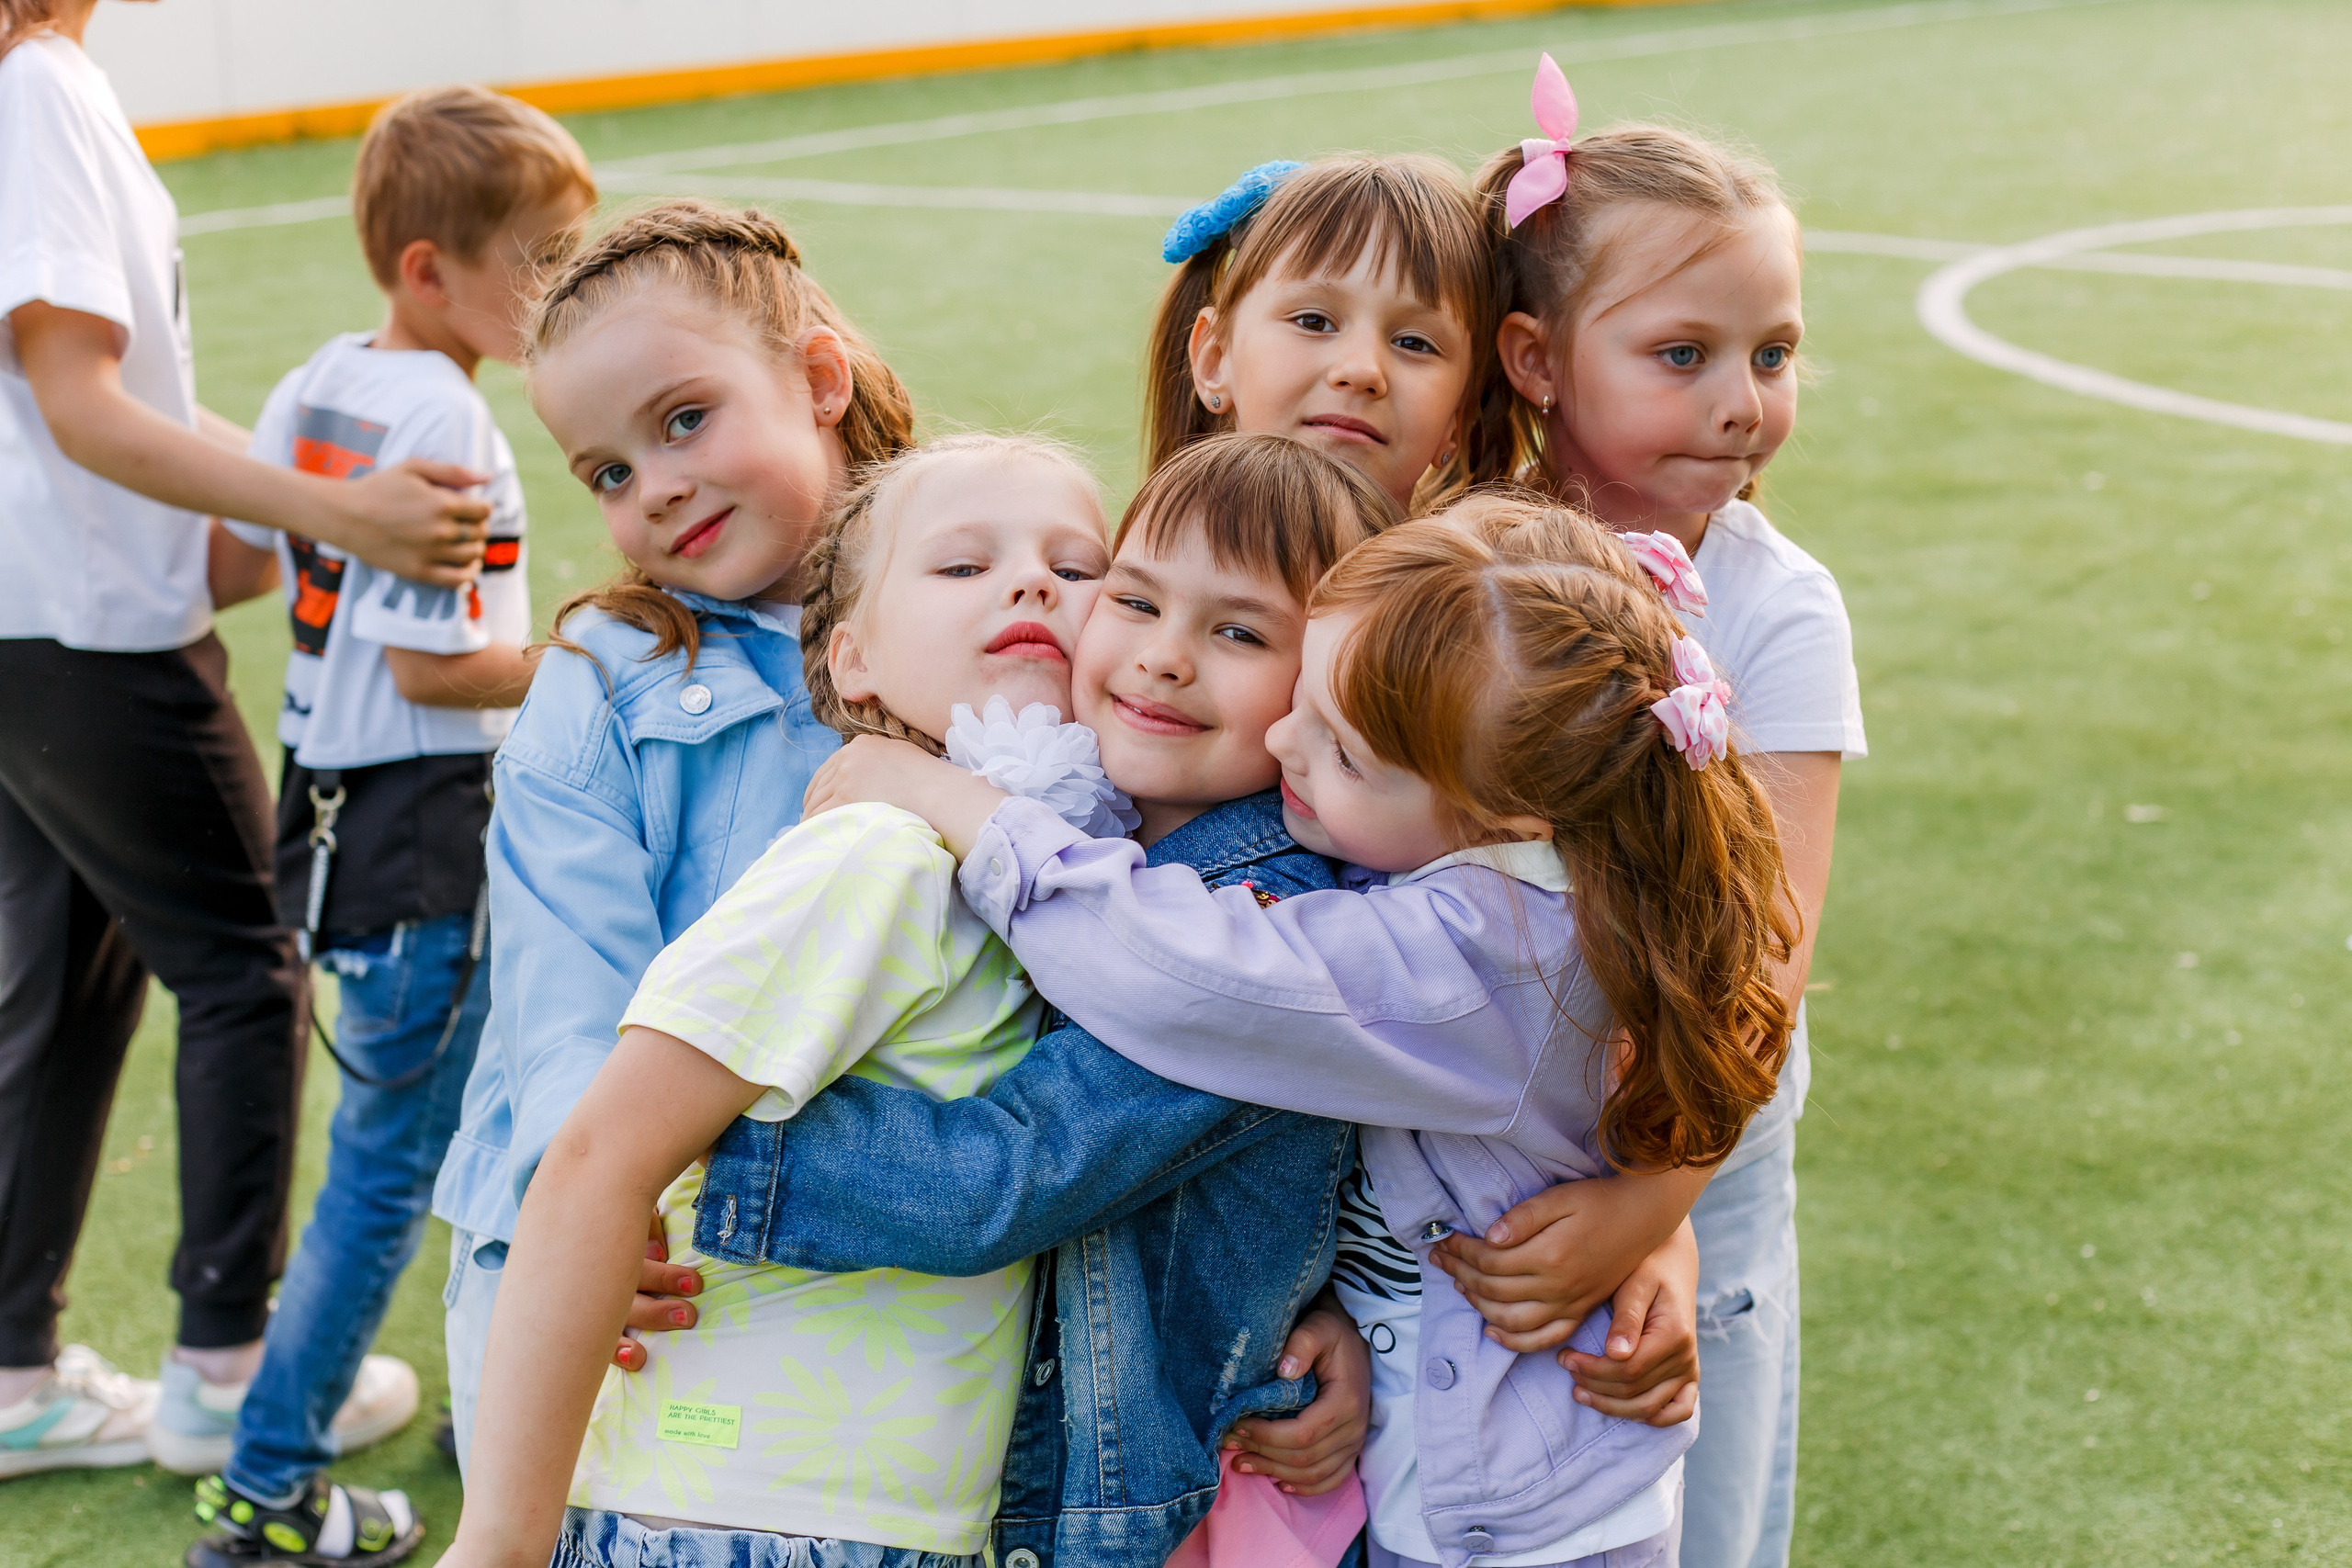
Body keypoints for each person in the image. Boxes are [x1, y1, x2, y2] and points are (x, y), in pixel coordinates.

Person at [808, 495, 1798, 1568]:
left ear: (1505, 812)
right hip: (1434, 1471)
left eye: (1341, 751)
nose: (1284, 738)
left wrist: (965, 810)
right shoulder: (1520, 870)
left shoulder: (1488, 956)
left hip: (1507, 1528)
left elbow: (1191, 981)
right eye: (1304, 703)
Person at [657, 434, 1413, 1568]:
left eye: (1241, 633)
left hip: (1164, 1509)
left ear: (1324, 700)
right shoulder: (1091, 827)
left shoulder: (1256, 925)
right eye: (1135, 598)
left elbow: (1010, 1177)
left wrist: (697, 1152)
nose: (1161, 659)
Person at [444, 434, 1143, 1568]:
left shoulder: (1049, 885)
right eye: (963, 566)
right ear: (853, 661)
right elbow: (595, 1160)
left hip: (877, 1523)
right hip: (736, 1518)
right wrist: (499, 1546)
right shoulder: (878, 860)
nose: (1033, 584)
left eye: (1080, 567)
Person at [0, 0, 489, 1480]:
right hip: (92, 631)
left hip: (33, 622)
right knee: (242, 969)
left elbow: (106, 402)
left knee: (65, 986)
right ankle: (224, 1363)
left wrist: (251, 505)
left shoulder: (35, 84)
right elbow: (75, 398)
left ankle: (15, 1374)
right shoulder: (38, 88)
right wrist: (328, 510)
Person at [1442, 57, 1866, 1568]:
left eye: (1775, 351)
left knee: (1691, 1498)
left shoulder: (1775, 607)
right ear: (1539, 359)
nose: (1743, 403)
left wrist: (1654, 1201)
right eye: (1682, 353)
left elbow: (1762, 962)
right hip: (1470, 1145)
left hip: (1697, 1154)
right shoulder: (1456, 565)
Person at [425, 198, 917, 1471]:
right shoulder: (600, 679)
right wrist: (585, 1189)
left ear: (819, 378)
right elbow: (562, 976)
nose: (659, 487)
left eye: (685, 419)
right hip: (620, 1271)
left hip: (861, 1254)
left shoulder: (956, 605)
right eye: (609, 473)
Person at [176, 85, 596, 1564]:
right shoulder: (456, 431)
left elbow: (258, 553)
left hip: (340, 819)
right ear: (430, 268)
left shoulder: (318, 380)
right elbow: (438, 664)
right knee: (386, 1177)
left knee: (483, 1128)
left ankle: (502, 1395)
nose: (561, 289)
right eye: (538, 260)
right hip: (422, 830)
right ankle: (268, 1488)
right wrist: (605, 652)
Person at [1145, 154, 1515, 514]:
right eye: (1314, 322)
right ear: (1214, 360)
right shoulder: (1144, 572)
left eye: (1413, 343)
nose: (1362, 371)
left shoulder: (1480, 579)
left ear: (1458, 418)